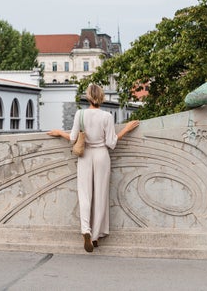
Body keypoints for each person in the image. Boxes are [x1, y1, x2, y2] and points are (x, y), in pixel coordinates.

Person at [47, 83, 140, 253]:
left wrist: (60, 133)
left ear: (88, 96)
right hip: (101, 156)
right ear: (102, 97)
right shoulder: (106, 116)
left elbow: (73, 138)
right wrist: (126, 129)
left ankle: (86, 230)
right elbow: (111, 143)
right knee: (100, 195)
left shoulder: (80, 114)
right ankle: (96, 236)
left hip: (85, 155)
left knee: (85, 194)